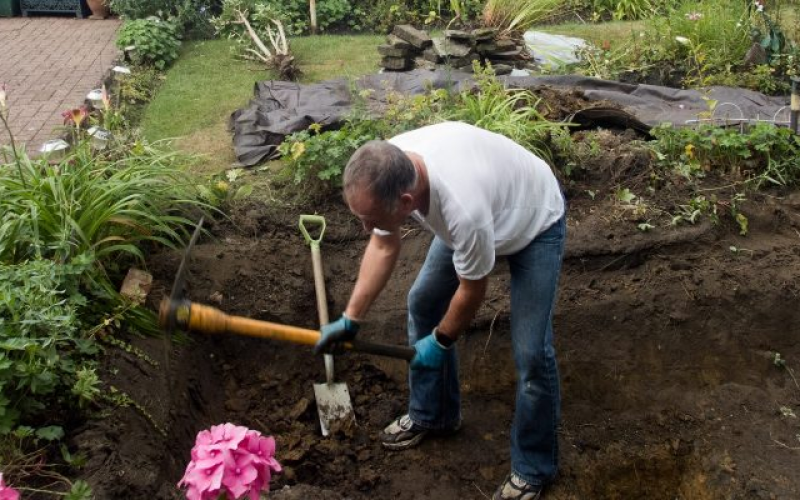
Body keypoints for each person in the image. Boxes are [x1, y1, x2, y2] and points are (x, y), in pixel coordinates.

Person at [314, 121, 566, 500]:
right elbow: (383, 246)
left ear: (405, 202)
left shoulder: (463, 208)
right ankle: (434, 415)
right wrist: (351, 318)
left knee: (532, 353)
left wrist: (441, 341)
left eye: (372, 220)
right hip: (485, 207)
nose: (366, 228)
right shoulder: (388, 165)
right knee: (423, 302)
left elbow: (473, 288)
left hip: (533, 223)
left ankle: (534, 467)